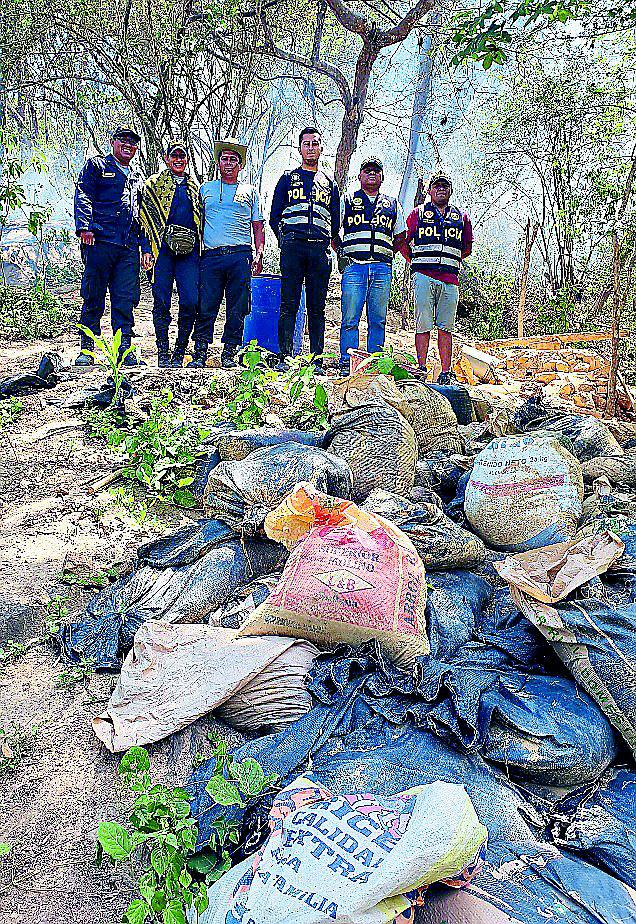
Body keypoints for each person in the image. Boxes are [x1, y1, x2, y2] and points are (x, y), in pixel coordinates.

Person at [74, 126, 149, 366]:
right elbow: (83, 193)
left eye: (133, 141)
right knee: (94, 294)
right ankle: (87, 348)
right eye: (123, 140)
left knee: (125, 298)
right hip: (100, 241)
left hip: (128, 246)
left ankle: (124, 349)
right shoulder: (97, 166)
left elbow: (143, 215)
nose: (128, 145)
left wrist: (145, 247)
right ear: (112, 142)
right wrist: (84, 226)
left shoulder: (137, 176)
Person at [269, 126, 340, 373]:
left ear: (321, 148)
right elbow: (274, 216)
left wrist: (326, 243)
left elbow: (335, 221)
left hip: (319, 252)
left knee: (317, 306)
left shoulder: (330, 183)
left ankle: (316, 359)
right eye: (306, 143)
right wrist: (285, 240)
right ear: (300, 148)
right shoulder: (288, 178)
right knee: (289, 303)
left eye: (315, 143)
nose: (311, 147)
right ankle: (284, 357)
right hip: (293, 249)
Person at [192, 138, 265, 369]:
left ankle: (229, 352)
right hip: (211, 256)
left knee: (238, 306)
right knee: (206, 304)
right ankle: (200, 352)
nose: (229, 163)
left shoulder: (250, 191)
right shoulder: (205, 189)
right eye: (225, 159)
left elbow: (258, 225)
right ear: (218, 163)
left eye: (234, 159)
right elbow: (197, 222)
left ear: (240, 165)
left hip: (240, 255)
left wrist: (259, 253)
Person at [335, 157, 407, 375]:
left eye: (376, 171)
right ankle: (347, 363)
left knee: (378, 319)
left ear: (382, 177)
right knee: (350, 318)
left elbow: (401, 236)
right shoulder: (347, 200)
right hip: (354, 267)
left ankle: (375, 364)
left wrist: (386, 253)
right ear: (360, 176)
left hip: (382, 269)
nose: (372, 174)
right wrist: (342, 253)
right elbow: (333, 231)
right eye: (367, 170)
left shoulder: (392, 204)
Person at [402, 171, 473, 384]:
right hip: (424, 276)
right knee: (423, 324)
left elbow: (467, 247)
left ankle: (445, 371)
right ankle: (421, 367)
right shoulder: (418, 214)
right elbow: (404, 241)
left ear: (450, 190)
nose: (441, 189)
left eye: (445, 186)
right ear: (430, 190)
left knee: (446, 327)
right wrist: (415, 261)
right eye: (437, 186)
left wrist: (449, 260)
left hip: (450, 280)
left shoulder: (461, 217)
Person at [140, 141, 203, 367]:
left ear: (187, 160)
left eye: (182, 156)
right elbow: (144, 221)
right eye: (173, 155)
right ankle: (163, 352)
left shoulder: (195, 187)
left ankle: (180, 350)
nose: (178, 159)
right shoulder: (153, 185)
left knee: (190, 300)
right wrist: (146, 249)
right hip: (162, 252)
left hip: (188, 253)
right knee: (161, 300)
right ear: (166, 158)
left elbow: (201, 222)